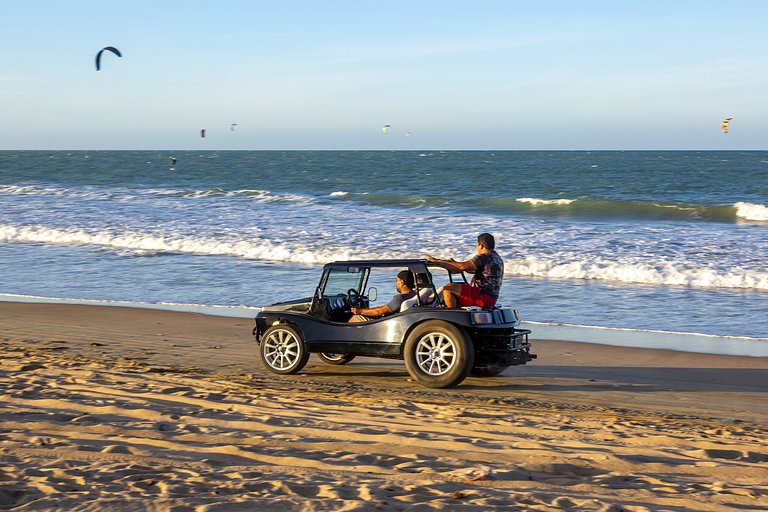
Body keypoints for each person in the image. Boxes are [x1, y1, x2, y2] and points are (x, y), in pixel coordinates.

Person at [427, 233, 503, 309]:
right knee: (455, 286)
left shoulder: (483, 257)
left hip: (482, 296)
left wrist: (437, 261)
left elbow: (460, 267)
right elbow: (470, 269)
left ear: (481, 245)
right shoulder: (496, 258)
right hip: (491, 298)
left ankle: (450, 314)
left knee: (448, 288)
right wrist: (453, 263)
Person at [349, 270, 416, 322]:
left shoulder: (400, 298)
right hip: (393, 319)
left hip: (387, 322)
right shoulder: (414, 294)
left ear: (402, 282)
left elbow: (380, 311)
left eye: (396, 281)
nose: (396, 284)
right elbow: (382, 308)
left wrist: (360, 311)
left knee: (356, 318)